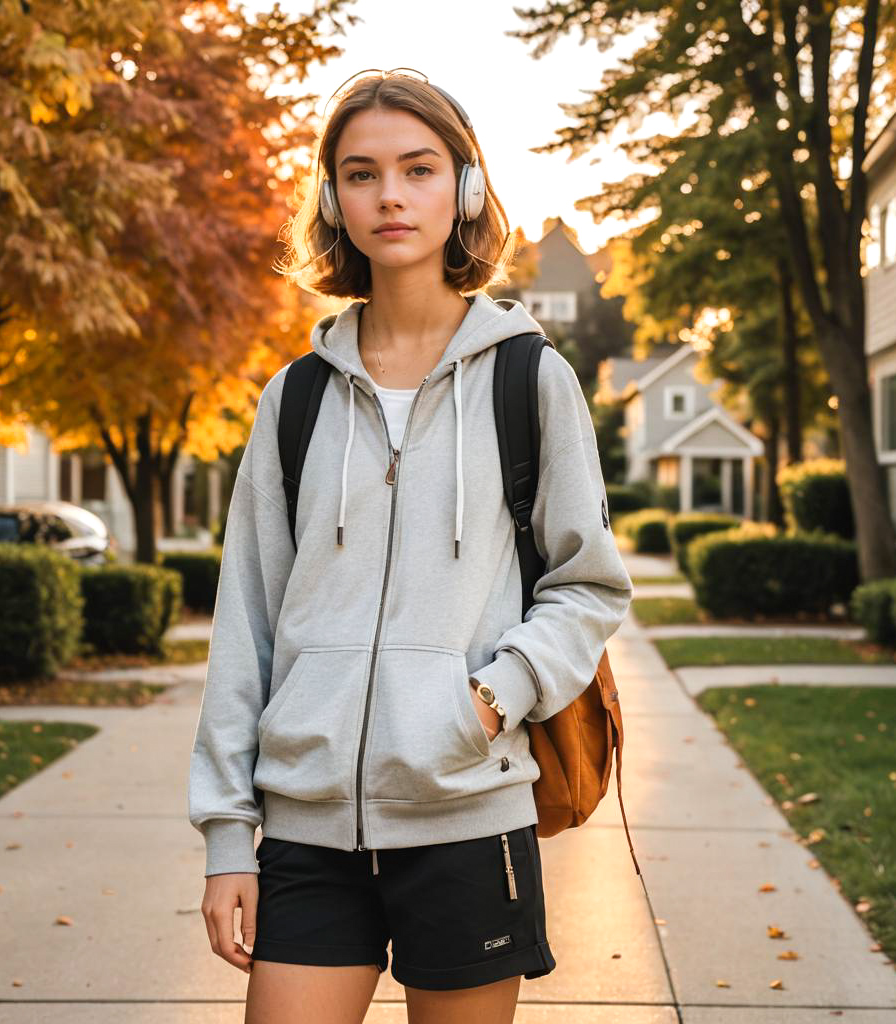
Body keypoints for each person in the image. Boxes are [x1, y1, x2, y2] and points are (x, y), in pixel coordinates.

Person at [188, 67, 634, 1024]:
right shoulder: (296, 397)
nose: (389, 195)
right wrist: (230, 835)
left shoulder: (530, 378)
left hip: (470, 812)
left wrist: (489, 698)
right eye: (360, 173)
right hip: (307, 828)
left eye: (418, 168)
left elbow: (589, 585)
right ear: (331, 199)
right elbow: (247, 619)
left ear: (465, 191)